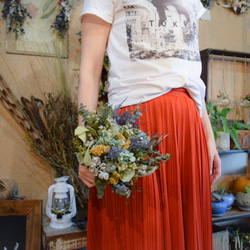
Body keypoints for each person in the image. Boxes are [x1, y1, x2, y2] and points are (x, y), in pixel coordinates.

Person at [78, 0, 221, 249]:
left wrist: (208, 139)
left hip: (188, 128)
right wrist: (85, 144)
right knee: (137, 235)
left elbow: (190, 75)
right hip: (134, 129)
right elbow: (90, 70)